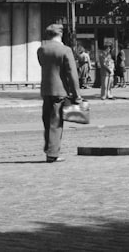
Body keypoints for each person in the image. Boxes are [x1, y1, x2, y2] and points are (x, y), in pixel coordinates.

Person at [37, 23, 81, 163]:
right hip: (60, 90)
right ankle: (52, 153)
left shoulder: (41, 50)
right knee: (56, 123)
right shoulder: (65, 50)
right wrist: (76, 94)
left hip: (46, 90)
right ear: (60, 34)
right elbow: (72, 74)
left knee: (47, 122)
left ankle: (48, 149)